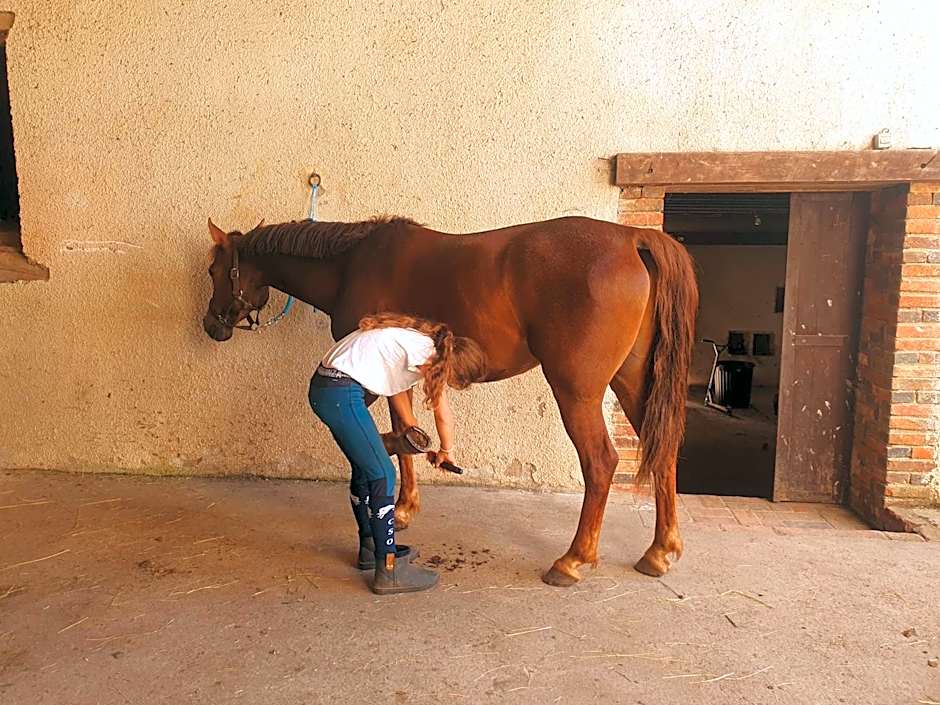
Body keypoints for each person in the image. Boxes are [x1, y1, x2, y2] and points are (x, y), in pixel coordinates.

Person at [308, 313, 487, 594]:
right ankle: (388, 570)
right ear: (449, 367)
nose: (444, 384)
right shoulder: (424, 354)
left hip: (332, 388)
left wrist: (415, 432)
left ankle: (371, 547)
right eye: (450, 380)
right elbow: (442, 411)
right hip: (339, 392)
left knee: (367, 467)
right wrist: (446, 451)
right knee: (383, 473)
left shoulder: (423, 346)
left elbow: (396, 390)